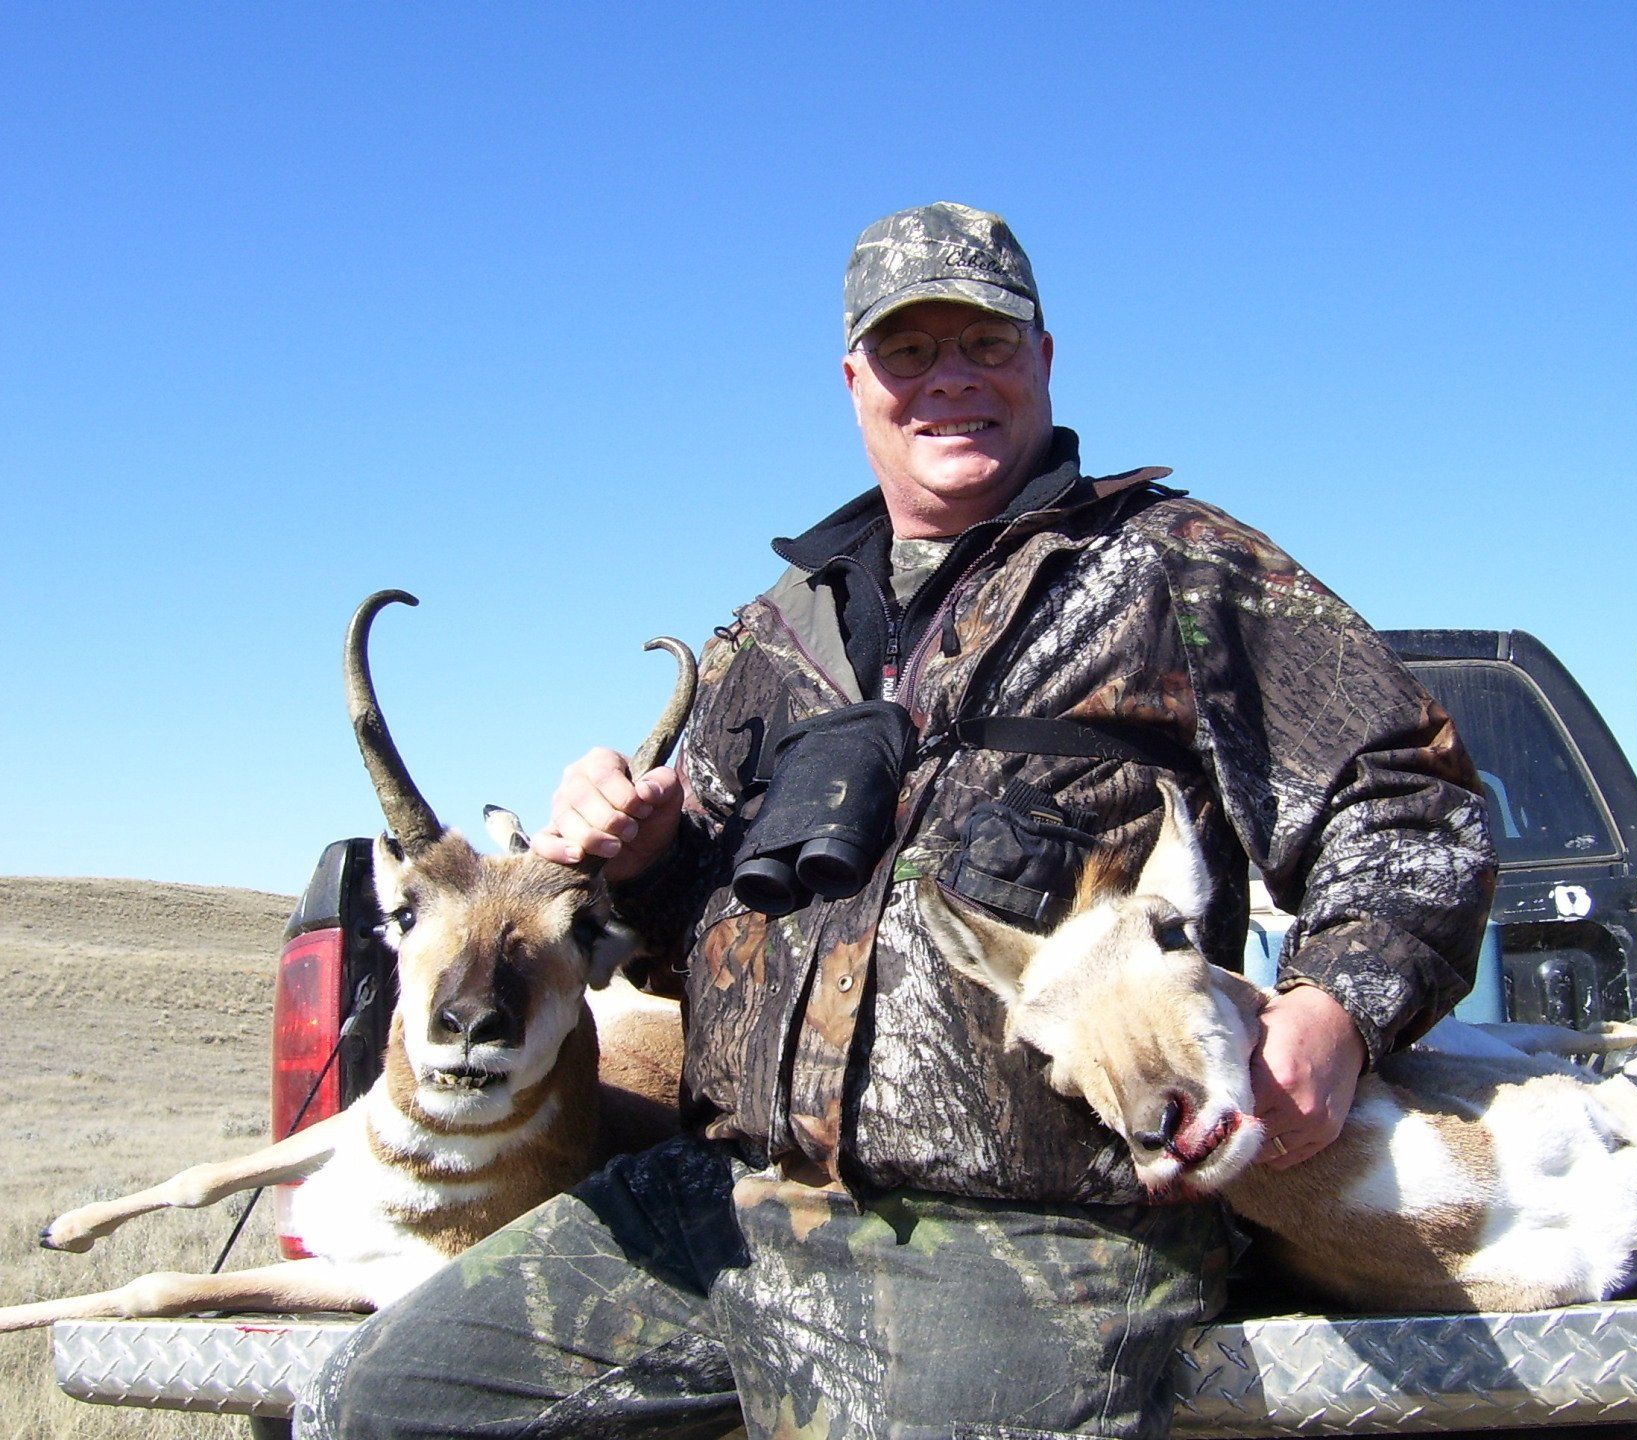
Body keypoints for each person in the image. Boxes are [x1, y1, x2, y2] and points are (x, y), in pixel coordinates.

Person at [305, 202, 1495, 1440]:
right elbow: (678, 940)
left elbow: (1398, 793)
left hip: (1036, 1231)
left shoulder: (1175, 569)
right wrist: (647, 859)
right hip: (731, 1200)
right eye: (909, 351)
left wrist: (1335, 1007)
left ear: (1042, 355)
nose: (950, 381)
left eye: (983, 343)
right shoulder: (772, 637)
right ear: (854, 380)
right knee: (382, 1404)